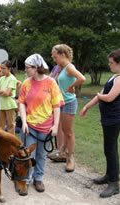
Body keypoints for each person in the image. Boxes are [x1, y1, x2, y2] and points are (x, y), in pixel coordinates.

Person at [19, 54, 64, 192]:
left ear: (35, 67)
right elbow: (21, 102)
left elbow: (57, 106)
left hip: (46, 128)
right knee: (28, 155)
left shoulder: (51, 83)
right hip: (30, 127)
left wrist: (55, 126)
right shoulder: (26, 83)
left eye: (27, 68)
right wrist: (24, 122)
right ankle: (26, 179)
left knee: (41, 155)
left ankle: (38, 179)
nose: (25, 70)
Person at [80, 49, 120, 198]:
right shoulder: (114, 77)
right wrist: (86, 106)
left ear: (119, 63)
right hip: (107, 118)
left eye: (111, 63)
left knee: (110, 150)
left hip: (114, 119)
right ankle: (109, 175)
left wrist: (99, 95)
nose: (109, 65)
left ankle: (114, 184)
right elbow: (101, 94)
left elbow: (108, 97)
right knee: (110, 148)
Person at [51, 44, 86, 172]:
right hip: (61, 102)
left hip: (69, 102)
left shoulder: (69, 67)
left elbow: (82, 78)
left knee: (69, 132)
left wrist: (72, 86)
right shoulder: (61, 67)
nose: (54, 59)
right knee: (64, 130)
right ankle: (62, 152)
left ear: (63, 55)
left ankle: (70, 158)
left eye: (55, 57)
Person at [47, 64, 66, 162]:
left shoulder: (61, 68)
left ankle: (61, 149)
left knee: (60, 126)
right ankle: (57, 148)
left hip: (59, 98)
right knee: (56, 125)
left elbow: (53, 79)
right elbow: (51, 77)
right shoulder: (55, 67)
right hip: (53, 97)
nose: (53, 58)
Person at [0, 60, 17, 135]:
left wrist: (1, 92)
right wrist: (3, 92)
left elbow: (7, 93)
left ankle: (11, 141)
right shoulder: (1, 78)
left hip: (9, 105)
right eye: (1, 68)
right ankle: (1, 140)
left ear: (9, 69)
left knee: (10, 125)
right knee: (0, 125)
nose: (2, 70)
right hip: (2, 104)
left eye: (4, 68)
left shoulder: (12, 79)